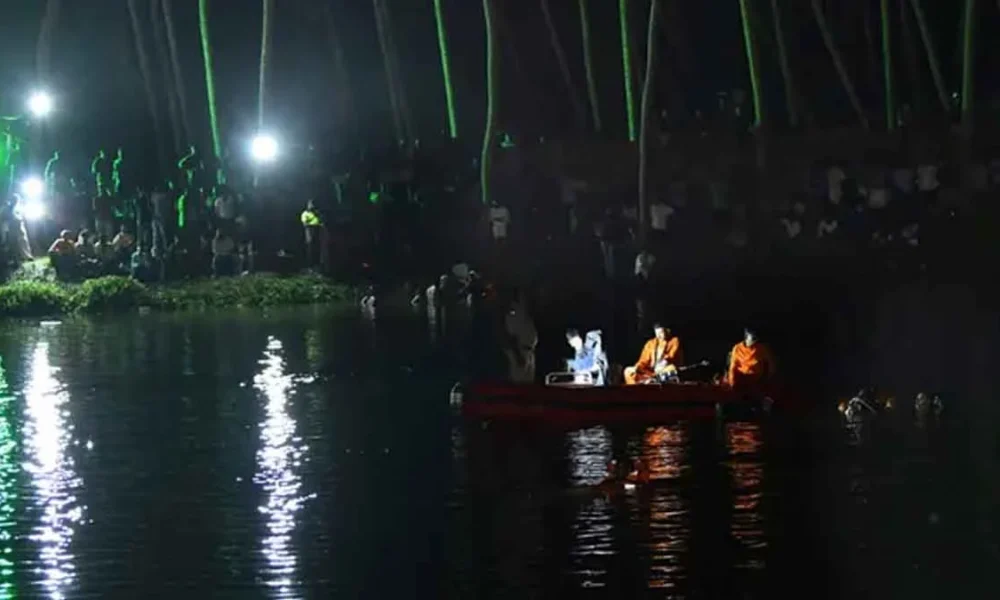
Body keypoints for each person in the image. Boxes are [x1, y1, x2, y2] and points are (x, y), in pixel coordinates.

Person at [300, 200, 323, 269]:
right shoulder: (305, 213)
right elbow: (304, 224)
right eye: (311, 204)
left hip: (318, 232)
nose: (312, 206)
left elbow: (321, 221)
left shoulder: (317, 213)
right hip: (309, 231)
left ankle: (318, 265)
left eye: (313, 204)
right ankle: (309, 265)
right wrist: (312, 224)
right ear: (308, 205)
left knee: (318, 248)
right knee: (310, 248)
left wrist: (320, 224)